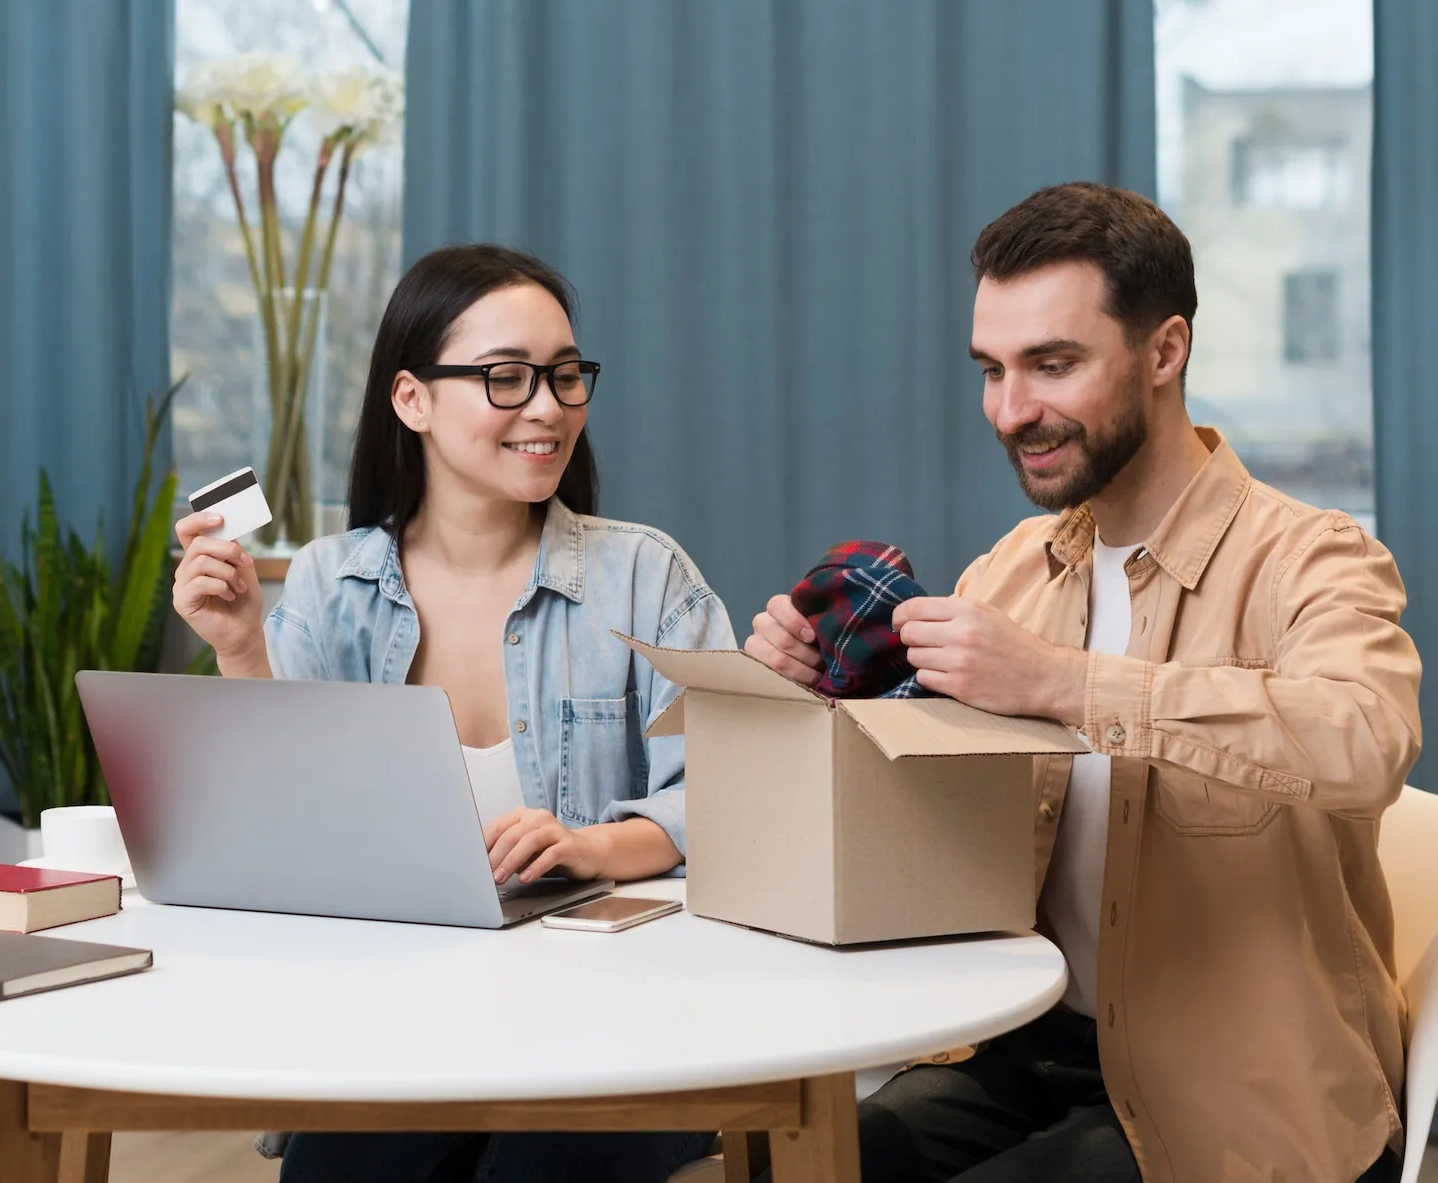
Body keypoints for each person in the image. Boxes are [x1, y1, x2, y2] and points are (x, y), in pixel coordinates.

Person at [746, 182, 1417, 1183]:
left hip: (1242, 1083)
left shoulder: (1315, 558)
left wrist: (1064, 682)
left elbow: (1363, 740)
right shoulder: (1006, 572)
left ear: (1163, 351)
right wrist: (807, 701)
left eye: (1051, 365)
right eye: (992, 370)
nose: (1012, 410)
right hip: (1020, 1049)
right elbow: (924, 835)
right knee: (784, 1167)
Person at [172, 244, 731, 1183]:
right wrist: (238, 647)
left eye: (563, 376)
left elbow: (742, 792)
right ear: (412, 400)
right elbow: (278, 826)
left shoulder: (644, 577)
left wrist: (596, 846)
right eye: (506, 378)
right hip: (398, 1026)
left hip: (622, 1027)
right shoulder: (328, 583)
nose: (548, 408)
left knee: (537, 1167)